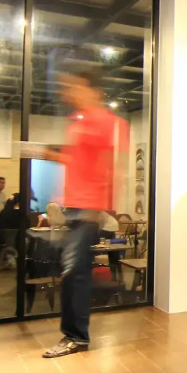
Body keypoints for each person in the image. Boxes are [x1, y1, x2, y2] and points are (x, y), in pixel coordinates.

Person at [41, 65, 126, 358]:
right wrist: (53, 156)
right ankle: (74, 335)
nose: (68, 92)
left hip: (87, 209)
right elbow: (79, 163)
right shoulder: (78, 122)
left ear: (93, 90)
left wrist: (98, 207)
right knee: (72, 273)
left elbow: (111, 166)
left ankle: (76, 337)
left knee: (74, 273)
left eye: (74, 86)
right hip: (74, 207)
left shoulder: (107, 122)